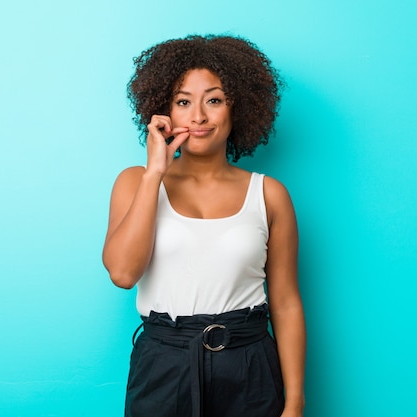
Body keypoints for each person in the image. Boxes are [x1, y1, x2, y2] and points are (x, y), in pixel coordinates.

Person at [102, 34, 306, 417]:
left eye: (213, 100)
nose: (198, 116)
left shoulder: (269, 194)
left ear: (237, 108)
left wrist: (294, 402)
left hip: (250, 366)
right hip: (164, 364)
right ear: (164, 112)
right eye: (183, 102)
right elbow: (123, 273)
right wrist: (155, 174)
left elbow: (286, 302)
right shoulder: (135, 181)